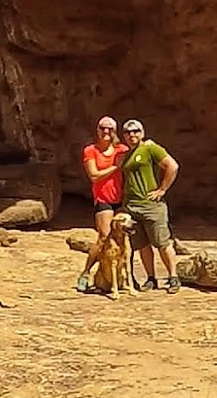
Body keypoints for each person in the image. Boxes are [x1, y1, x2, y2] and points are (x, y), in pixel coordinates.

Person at [121, 119, 181, 292]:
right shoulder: (126, 154)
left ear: (142, 132)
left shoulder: (150, 148)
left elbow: (172, 166)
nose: (132, 135)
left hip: (151, 206)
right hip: (132, 206)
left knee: (162, 242)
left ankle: (173, 277)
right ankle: (151, 278)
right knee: (142, 245)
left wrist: (162, 190)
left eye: (136, 131)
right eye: (128, 132)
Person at [77, 115, 129, 293]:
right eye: (102, 128)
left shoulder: (121, 149)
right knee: (104, 238)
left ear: (115, 131)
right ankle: (85, 272)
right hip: (103, 199)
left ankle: (123, 276)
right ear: (97, 129)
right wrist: (116, 167)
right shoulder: (90, 150)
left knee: (125, 238)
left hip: (120, 199)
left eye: (110, 129)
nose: (106, 131)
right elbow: (94, 175)